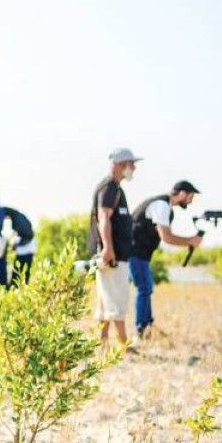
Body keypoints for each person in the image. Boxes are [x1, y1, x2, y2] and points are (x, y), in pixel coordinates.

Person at [129, 180, 202, 338]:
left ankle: (147, 326)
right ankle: (141, 329)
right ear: (182, 194)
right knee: (144, 288)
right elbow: (166, 237)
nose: (191, 201)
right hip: (134, 253)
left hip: (140, 254)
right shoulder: (161, 206)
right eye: (191, 197)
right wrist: (190, 241)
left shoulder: (165, 207)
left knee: (146, 287)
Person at [90, 148, 139, 350]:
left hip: (114, 254)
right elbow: (104, 218)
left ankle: (102, 344)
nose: (134, 168)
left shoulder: (115, 188)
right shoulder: (110, 188)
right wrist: (108, 248)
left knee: (106, 302)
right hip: (113, 255)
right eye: (131, 164)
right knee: (117, 300)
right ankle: (124, 345)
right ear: (121, 164)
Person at [1, 205, 35, 287]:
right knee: (19, 273)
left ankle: (17, 290)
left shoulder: (18, 219)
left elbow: (29, 235)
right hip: (24, 251)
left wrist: (16, 244)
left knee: (20, 273)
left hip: (26, 251)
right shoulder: (17, 218)